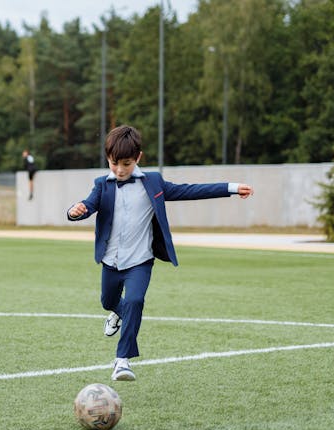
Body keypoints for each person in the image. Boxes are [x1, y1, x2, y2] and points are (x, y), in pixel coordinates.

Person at [66, 125, 253, 382]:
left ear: (138, 158)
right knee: (108, 302)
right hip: (111, 260)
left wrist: (231, 187)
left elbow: (190, 190)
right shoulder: (102, 185)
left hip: (140, 261)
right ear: (107, 158)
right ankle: (117, 313)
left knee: (134, 301)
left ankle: (122, 361)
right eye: (114, 163)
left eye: (126, 164)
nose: (120, 170)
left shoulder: (153, 182)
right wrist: (75, 211)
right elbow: (87, 205)